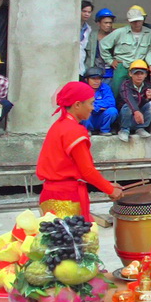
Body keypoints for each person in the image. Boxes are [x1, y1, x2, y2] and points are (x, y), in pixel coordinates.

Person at [37, 81, 124, 218]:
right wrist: (109, 189)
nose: (93, 108)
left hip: (50, 194)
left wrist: (107, 184)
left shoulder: (59, 125)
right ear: (77, 105)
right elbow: (86, 170)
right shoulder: (74, 131)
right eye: (91, 103)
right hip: (66, 198)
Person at [100, 4, 151, 94]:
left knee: (137, 93)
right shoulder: (120, 32)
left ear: (143, 20)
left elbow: (148, 50)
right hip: (122, 65)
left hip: (138, 66)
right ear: (129, 21)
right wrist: (110, 60)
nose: (137, 23)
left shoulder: (149, 33)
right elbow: (103, 44)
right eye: (134, 21)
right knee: (117, 91)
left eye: (139, 21)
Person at [117, 59, 151, 141]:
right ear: (130, 74)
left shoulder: (148, 85)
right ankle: (124, 130)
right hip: (125, 118)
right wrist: (136, 111)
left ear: (146, 74)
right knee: (128, 106)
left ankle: (140, 128)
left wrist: (148, 98)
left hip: (139, 118)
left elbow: (144, 103)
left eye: (142, 73)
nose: (139, 76)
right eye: (136, 73)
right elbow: (128, 98)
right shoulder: (125, 84)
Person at [81, 67, 117, 135]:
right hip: (88, 118)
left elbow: (111, 102)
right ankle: (87, 130)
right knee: (82, 110)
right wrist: (99, 107)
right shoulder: (82, 88)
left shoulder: (105, 87)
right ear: (86, 79)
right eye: (93, 79)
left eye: (98, 79)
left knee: (112, 111)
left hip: (101, 117)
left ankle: (104, 130)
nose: (96, 81)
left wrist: (94, 106)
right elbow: (82, 104)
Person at [85, 7, 116, 80]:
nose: (108, 25)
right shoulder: (91, 36)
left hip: (112, 72)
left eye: (110, 23)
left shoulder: (115, 35)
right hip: (95, 72)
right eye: (105, 23)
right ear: (98, 23)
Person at [79, 0, 93, 77]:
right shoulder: (71, 26)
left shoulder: (88, 28)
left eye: (89, 12)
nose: (86, 14)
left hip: (81, 60)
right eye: (84, 11)